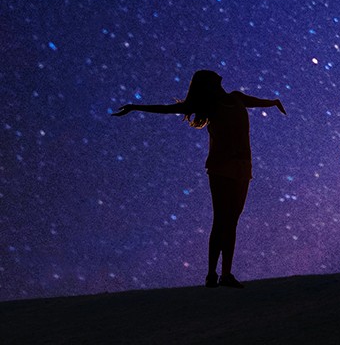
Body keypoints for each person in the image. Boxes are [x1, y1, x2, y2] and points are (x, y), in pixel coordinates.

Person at [113, 70, 286, 288]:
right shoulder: (209, 106)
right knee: (222, 219)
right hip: (220, 167)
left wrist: (274, 102)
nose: (219, 79)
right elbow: (169, 109)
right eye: (213, 80)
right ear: (209, 85)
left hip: (243, 167)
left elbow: (257, 102)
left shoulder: (237, 97)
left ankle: (225, 274)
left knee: (231, 221)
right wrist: (135, 107)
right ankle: (213, 274)